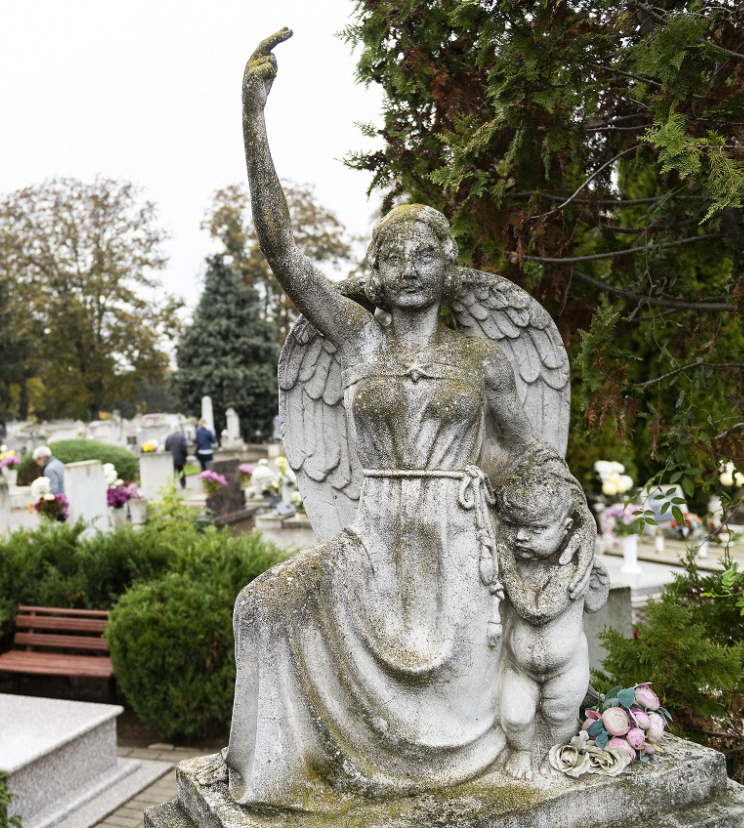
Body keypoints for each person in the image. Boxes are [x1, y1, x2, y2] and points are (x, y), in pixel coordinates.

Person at [223, 29, 556, 808]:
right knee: (262, 606)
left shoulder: (484, 360)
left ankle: (456, 751)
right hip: (369, 542)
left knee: (448, 685)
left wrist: (555, 546)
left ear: (448, 266)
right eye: (392, 256)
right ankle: (281, 774)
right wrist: (253, 118)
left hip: (455, 549)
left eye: (423, 255)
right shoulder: (353, 340)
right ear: (374, 272)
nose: (407, 268)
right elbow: (281, 248)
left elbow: (534, 457)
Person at [495, 451, 602, 781]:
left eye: (536, 528)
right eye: (514, 527)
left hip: (566, 667)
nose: (521, 537)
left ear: (566, 528)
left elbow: (536, 610)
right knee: (513, 717)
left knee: (560, 715)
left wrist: (507, 567)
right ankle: (521, 749)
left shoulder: (571, 566)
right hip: (519, 666)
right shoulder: (520, 554)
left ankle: (556, 753)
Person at [163, 425, 189, 489]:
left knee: (172, 473)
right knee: (181, 472)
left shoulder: (168, 438)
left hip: (171, 459)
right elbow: (184, 448)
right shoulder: (181, 437)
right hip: (180, 458)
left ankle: (172, 486)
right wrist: (185, 456)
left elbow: (166, 448)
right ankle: (183, 485)